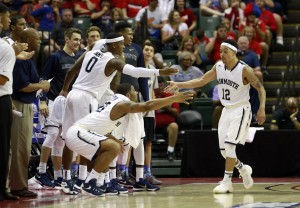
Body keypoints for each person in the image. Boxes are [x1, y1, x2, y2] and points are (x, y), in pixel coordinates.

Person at [59, 32, 178, 194]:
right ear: (114, 45)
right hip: (87, 97)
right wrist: (160, 72)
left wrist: (64, 90)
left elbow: (71, 71)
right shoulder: (112, 60)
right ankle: (84, 179)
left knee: (68, 137)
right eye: (122, 44)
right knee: (88, 139)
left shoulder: (90, 53)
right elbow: (135, 71)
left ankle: (66, 180)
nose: (124, 46)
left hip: (73, 94)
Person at [165, 39, 266, 193]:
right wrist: (178, 85)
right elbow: (201, 80)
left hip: (241, 109)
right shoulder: (218, 66)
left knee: (231, 146)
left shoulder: (245, 70)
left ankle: (227, 182)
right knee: (224, 151)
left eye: (225, 51)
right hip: (226, 110)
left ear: (234, 52)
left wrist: (261, 109)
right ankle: (243, 169)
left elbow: (261, 89)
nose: (222, 54)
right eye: (220, 51)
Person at [64, 83, 193, 196]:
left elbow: (98, 125)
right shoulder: (122, 104)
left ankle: (94, 182)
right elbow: (147, 105)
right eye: (133, 90)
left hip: (82, 134)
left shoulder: (115, 103)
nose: (136, 92)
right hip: (77, 133)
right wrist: (174, 98)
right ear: (128, 95)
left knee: (113, 147)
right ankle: (89, 182)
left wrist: (112, 137)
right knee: (113, 147)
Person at [10, 28, 50, 198]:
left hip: (26, 104)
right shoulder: (20, 60)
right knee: (19, 147)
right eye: (38, 39)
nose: (40, 42)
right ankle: (17, 186)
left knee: (23, 148)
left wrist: (40, 86)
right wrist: (41, 86)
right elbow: (22, 86)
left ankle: (18, 184)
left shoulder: (28, 59)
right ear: (28, 40)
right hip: (19, 105)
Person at [0, 3, 17, 201]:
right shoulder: (5, 48)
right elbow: (2, 79)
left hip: (4, 99)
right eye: (6, 17)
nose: (9, 21)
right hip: (1, 100)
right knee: (2, 147)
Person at [155, 77, 181, 161]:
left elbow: (176, 113)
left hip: (166, 126)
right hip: (151, 124)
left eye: (162, 86)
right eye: (158, 86)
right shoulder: (150, 96)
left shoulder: (170, 96)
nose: (160, 88)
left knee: (174, 126)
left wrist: (166, 107)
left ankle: (170, 151)